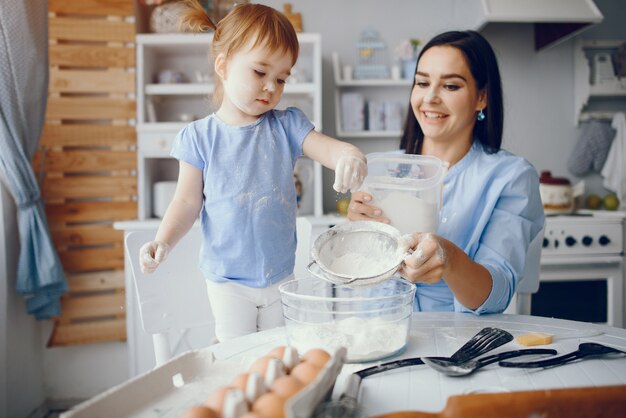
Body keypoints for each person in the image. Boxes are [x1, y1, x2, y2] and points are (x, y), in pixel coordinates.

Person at [139, 2, 367, 341]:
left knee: (277, 353)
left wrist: (349, 154)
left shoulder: (287, 125)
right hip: (228, 281)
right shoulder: (200, 137)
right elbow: (186, 203)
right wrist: (163, 240)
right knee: (239, 356)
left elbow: (328, 149)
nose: (271, 87)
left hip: (280, 276)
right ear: (223, 65)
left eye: (281, 78)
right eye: (259, 73)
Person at [348, 30, 544, 314]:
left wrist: (448, 257)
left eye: (450, 86)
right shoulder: (381, 168)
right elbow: (359, 276)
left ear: (482, 98)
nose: (430, 98)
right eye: (422, 82)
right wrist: (358, 233)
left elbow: (497, 294)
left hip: (456, 344)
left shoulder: (510, 177)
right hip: (377, 332)